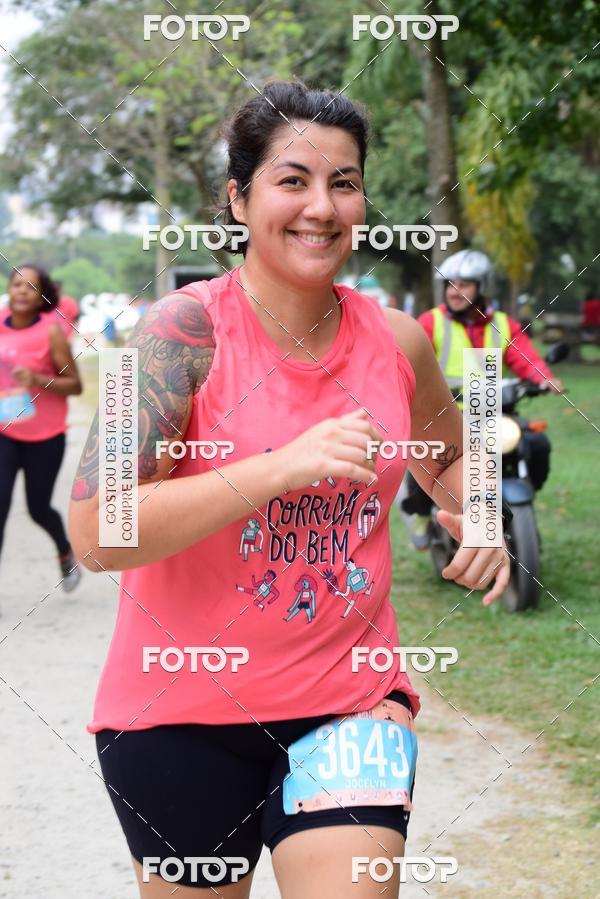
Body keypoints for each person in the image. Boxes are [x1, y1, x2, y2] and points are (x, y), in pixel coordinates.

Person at [70, 82, 510, 898]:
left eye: (344, 182)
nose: (322, 205)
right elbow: (97, 530)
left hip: (351, 707)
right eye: (293, 179)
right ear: (239, 199)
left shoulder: (397, 338)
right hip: (177, 717)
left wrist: (480, 510)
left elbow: (450, 452)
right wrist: (280, 467)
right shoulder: (174, 333)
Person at [400, 249, 564, 549]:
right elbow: (407, 358)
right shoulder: (431, 322)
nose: (455, 291)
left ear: (482, 287)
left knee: (536, 444)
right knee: (425, 456)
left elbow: (525, 356)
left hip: (493, 413)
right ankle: (422, 516)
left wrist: (543, 378)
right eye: (450, 284)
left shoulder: (502, 323)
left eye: (464, 284)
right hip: (447, 416)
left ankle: (520, 507)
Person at [0, 264, 83, 592]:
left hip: (45, 437)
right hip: (5, 432)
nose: (21, 291)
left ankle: (64, 550)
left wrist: (37, 380)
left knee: (38, 508)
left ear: (41, 297)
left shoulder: (51, 332)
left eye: (30, 287)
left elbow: (75, 385)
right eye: (16, 284)